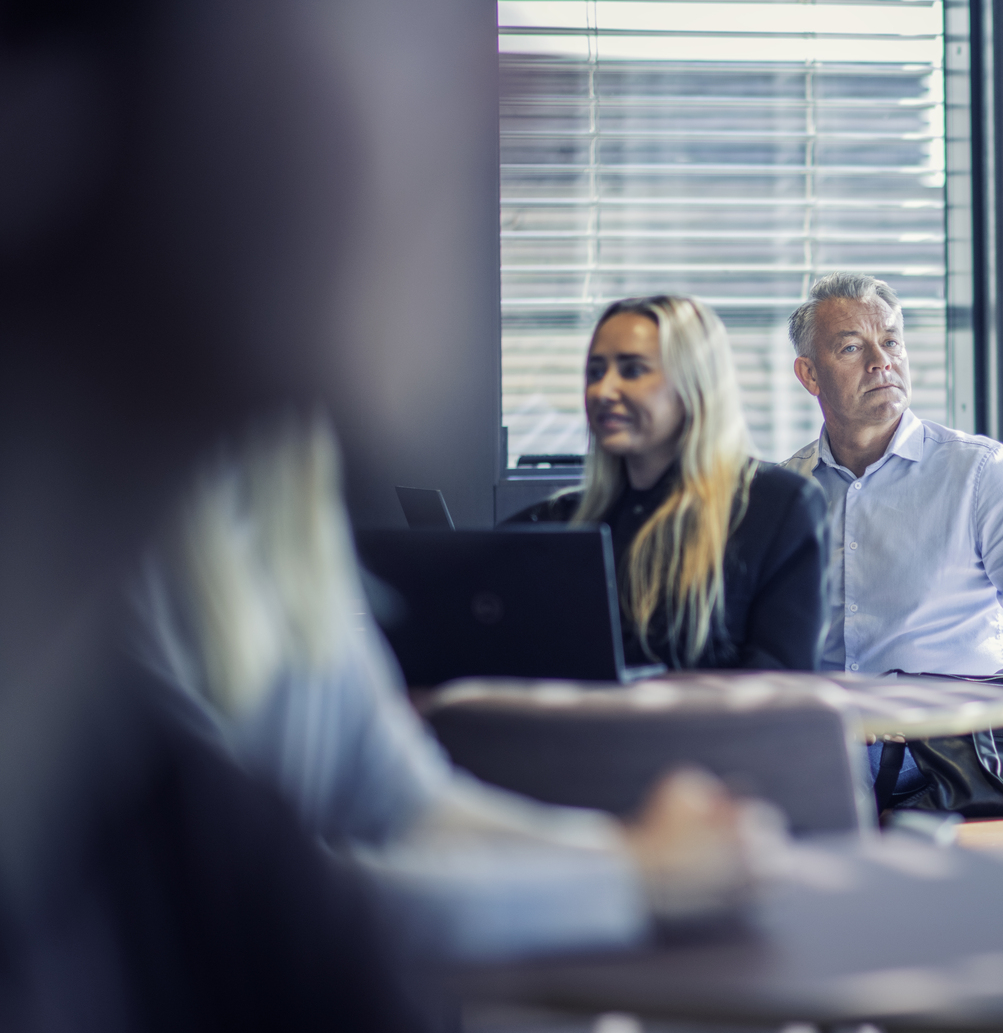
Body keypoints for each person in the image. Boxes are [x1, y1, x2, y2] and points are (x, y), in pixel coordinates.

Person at [129, 412, 780, 961]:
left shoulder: (284, 530)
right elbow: (270, 909)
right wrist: (637, 874)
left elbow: (410, 804)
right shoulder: (109, 568)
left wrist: (631, 849)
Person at [780, 273, 1003, 791]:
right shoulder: (783, 492)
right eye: (851, 347)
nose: (880, 361)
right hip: (815, 763)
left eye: (890, 342)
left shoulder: (979, 473)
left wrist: (969, 715)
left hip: (955, 767)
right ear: (810, 374)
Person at [513, 295, 829, 672]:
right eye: (595, 372)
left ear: (693, 385)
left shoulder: (778, 507)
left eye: (632, 371)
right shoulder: (558, 523)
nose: (603, 391)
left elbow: (780, 693)